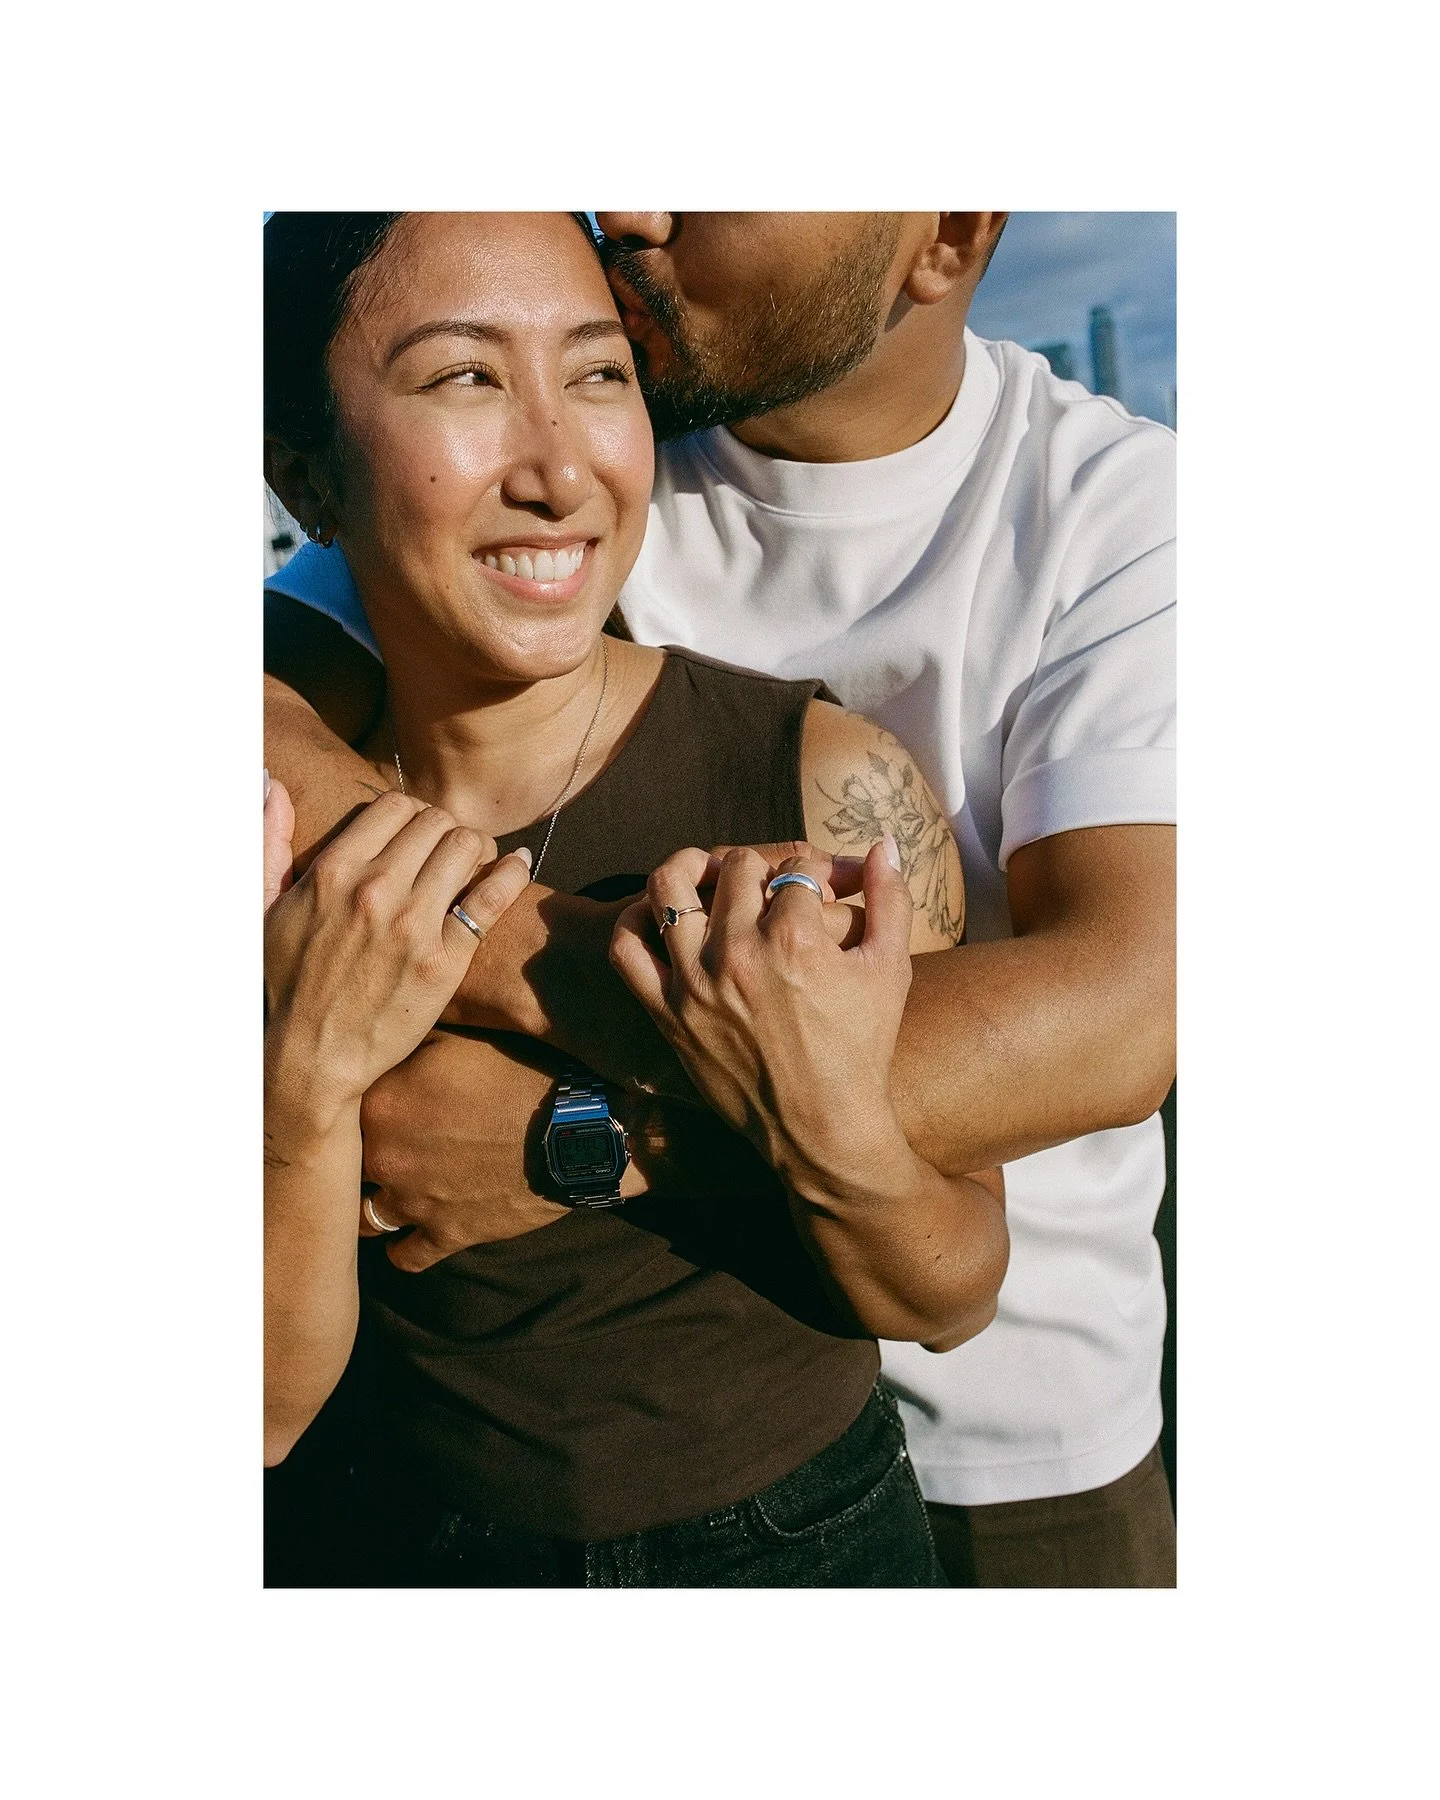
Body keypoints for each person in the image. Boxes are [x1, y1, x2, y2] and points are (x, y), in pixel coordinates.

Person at [266, 211, 1176, 1587]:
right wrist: (552, 960)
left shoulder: (1116, 513)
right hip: (470, 1477)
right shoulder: (567, 467)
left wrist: (564, 1134)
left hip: (1013, 1428)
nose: (629, 206)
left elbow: (1131, 1007)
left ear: (946, 237)